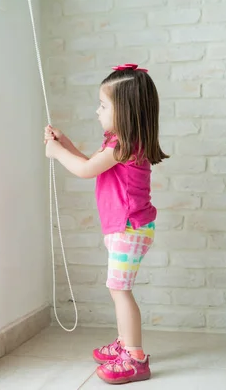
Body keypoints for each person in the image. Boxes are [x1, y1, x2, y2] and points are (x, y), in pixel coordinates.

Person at [44, 63, 168, 384]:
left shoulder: (123, 146)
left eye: (103, 105)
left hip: (129, 228)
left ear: (124, 111)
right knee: (118, 289)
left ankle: (135, 356)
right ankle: (126, 344)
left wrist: (57, 152)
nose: (97, 111)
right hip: (127, 227)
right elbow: (90, 164)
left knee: (119, 289)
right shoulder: (120, 142)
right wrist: (66, 143)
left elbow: (84, 171)